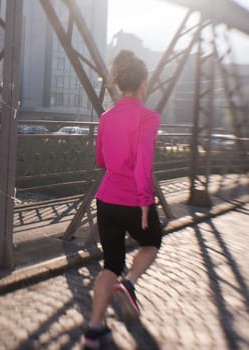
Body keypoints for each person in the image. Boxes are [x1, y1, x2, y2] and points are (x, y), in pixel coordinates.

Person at [83, 49, 163, 349]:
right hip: (133, 200)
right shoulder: (149, 117)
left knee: (110, 263)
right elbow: (143, 162)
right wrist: (145, 201)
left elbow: (101, 159)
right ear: (143, 84)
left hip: (106, 199)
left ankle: (93, 330)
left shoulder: (106, 117)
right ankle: (129, 284)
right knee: (153, 241)